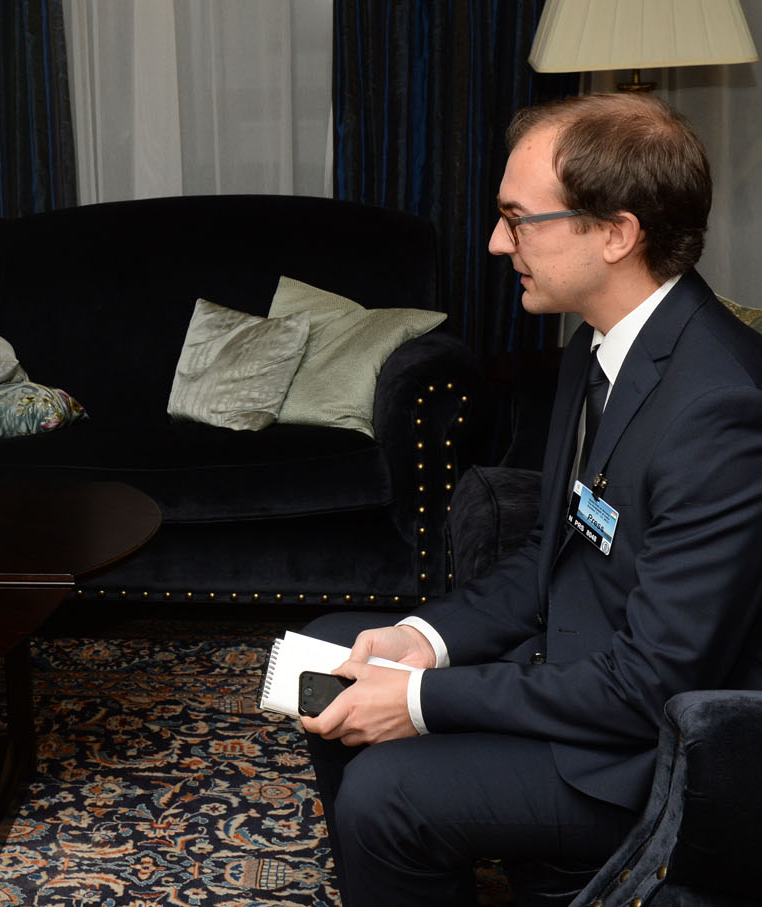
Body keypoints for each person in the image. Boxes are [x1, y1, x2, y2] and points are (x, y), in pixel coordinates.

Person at [298, 92, 762, 905]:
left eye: (519, 220)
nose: (494, 242)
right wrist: (423, 640)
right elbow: (550, 555)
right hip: (580, 664)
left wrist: (420, 700)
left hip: (654, 749)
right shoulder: (598, 342)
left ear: (615, 233)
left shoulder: (720, 408)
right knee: (338, 653)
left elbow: (652, 681)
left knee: (384, 795)